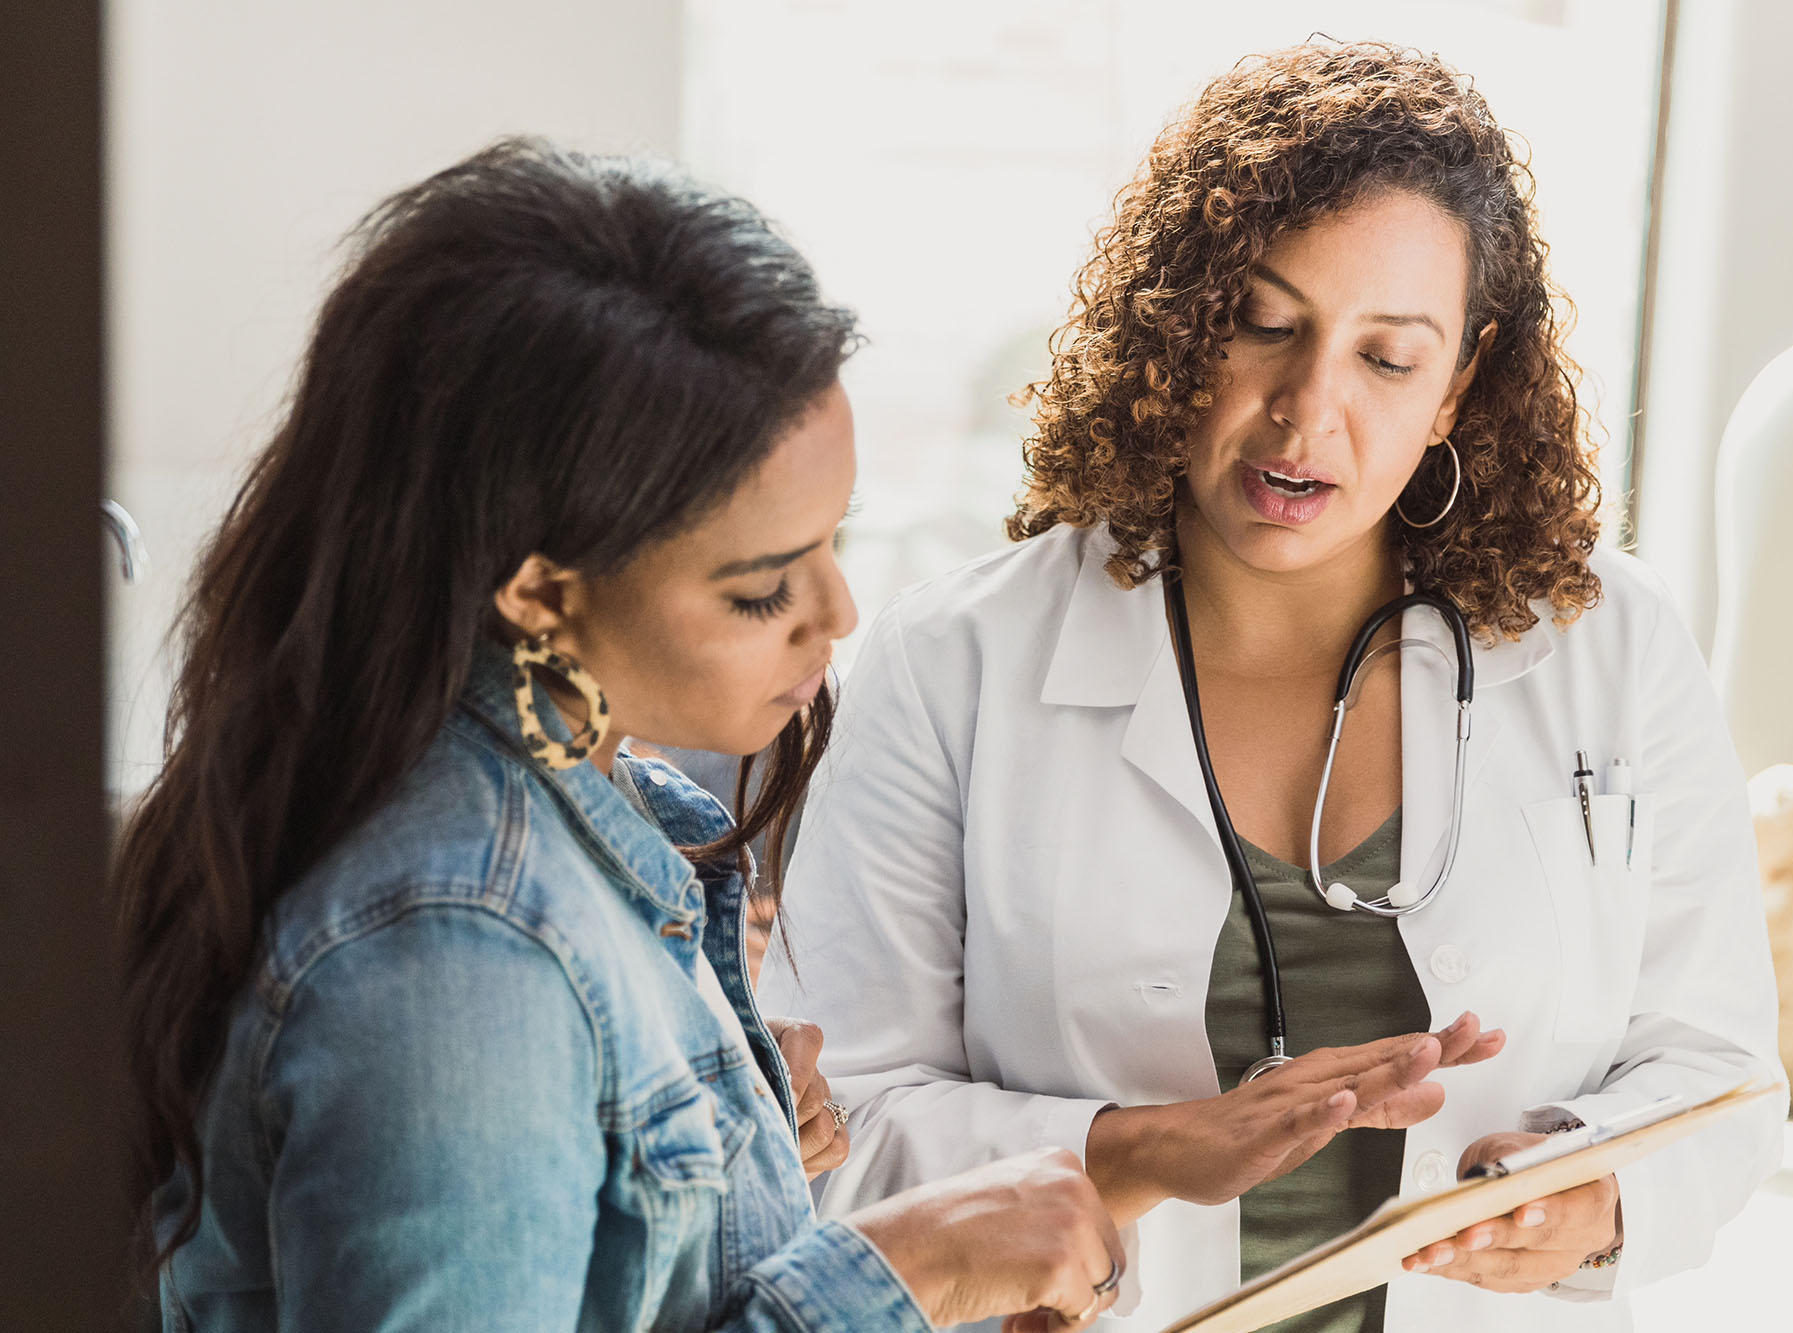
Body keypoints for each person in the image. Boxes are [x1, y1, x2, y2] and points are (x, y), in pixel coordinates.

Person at [758, 42, 1785, 1333]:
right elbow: (813, 1127)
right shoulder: (951, 663)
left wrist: (1589, 1195)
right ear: (1179, 326)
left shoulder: (1610, 643)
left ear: (1459, 382)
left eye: (1388, 358)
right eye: (1265, 324)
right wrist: (1138, 1147)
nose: (1310, 411)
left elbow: (1722, 1069)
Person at [112, 138, 1149, 1332]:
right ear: (539, 593)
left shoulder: (599, 807)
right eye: (761, 588)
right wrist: (894, 1274)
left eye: (834, 540)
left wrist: (741, 1172)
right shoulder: (461, 955)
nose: (837, 616)